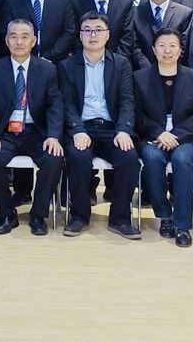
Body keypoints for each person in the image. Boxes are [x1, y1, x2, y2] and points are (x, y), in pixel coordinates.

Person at [57, 13, 141, 239]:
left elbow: (127, 101)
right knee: (78, 158)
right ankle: (79, 216)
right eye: (87, 30)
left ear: (107, 35)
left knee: (129, 159)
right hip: (82, 127)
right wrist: (77, 130)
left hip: (112, 128)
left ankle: (120, 218)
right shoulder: (66, 66)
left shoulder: (121, 64)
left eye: (98, 30)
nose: (92, 35)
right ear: (80, 35)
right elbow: (66, 104)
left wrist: (124, 130)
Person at [0, 19, 65, 236]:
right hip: (5, 132)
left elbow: (55, 105)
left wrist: (54, 136)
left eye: (24, 36)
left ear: (33, 41)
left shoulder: (47, 69)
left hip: (36, 132)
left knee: (54, 158)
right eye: (13, 36)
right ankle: (6, 213)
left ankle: (38, 214)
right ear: (6, 40)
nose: (19, 41)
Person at [134, 28, 193, 247]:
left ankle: (183, 225)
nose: (167, 51)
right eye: (162, 46)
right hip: (153, 136)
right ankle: (165, 215)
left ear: (180, 50)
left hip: (186, 137)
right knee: (151, 157)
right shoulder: (139, 78)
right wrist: (159, 133)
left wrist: (175, 134)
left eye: (172, 46)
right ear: (153, 49)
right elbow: (137, 115)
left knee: (182, 159)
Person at [132, 0, 193, 71]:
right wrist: (149, 69)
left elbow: (185, 46)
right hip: (144, 73)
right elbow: (134, 47)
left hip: (175, 72)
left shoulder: (184, 13)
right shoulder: (135, 13)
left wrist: (168, 67)